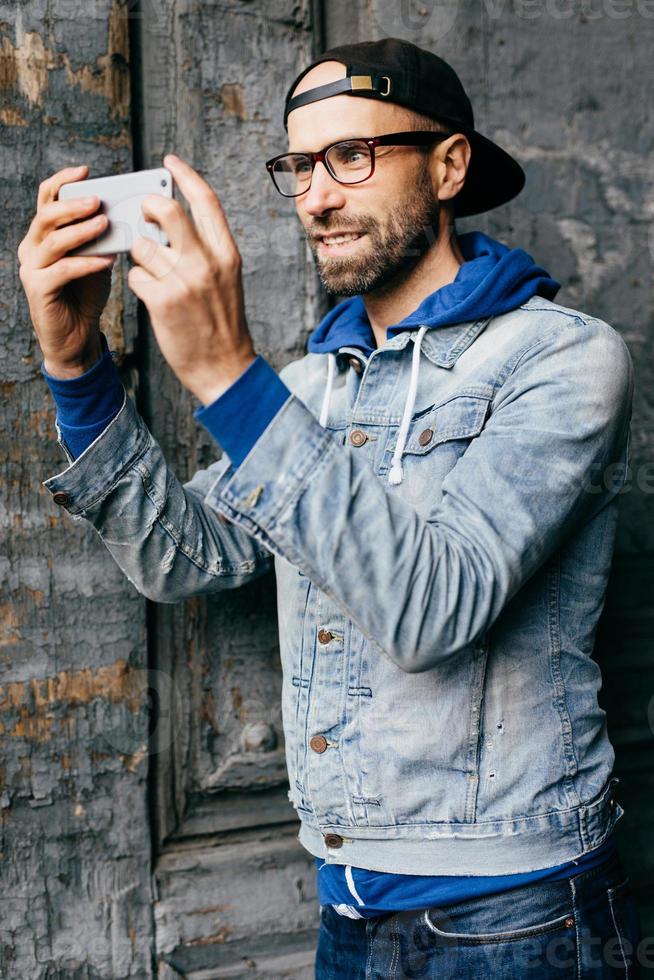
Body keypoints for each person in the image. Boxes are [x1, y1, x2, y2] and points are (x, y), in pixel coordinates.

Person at [18, 36, 643, 980]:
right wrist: (77, 373)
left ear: (449, 165)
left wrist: (231, 376)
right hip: (344, 913)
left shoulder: (562, 360)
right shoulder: (313, 388)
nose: (316, 196)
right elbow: (183, 556)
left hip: (517, 919)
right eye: (299, 165)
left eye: (352, 156)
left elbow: (435, 607)